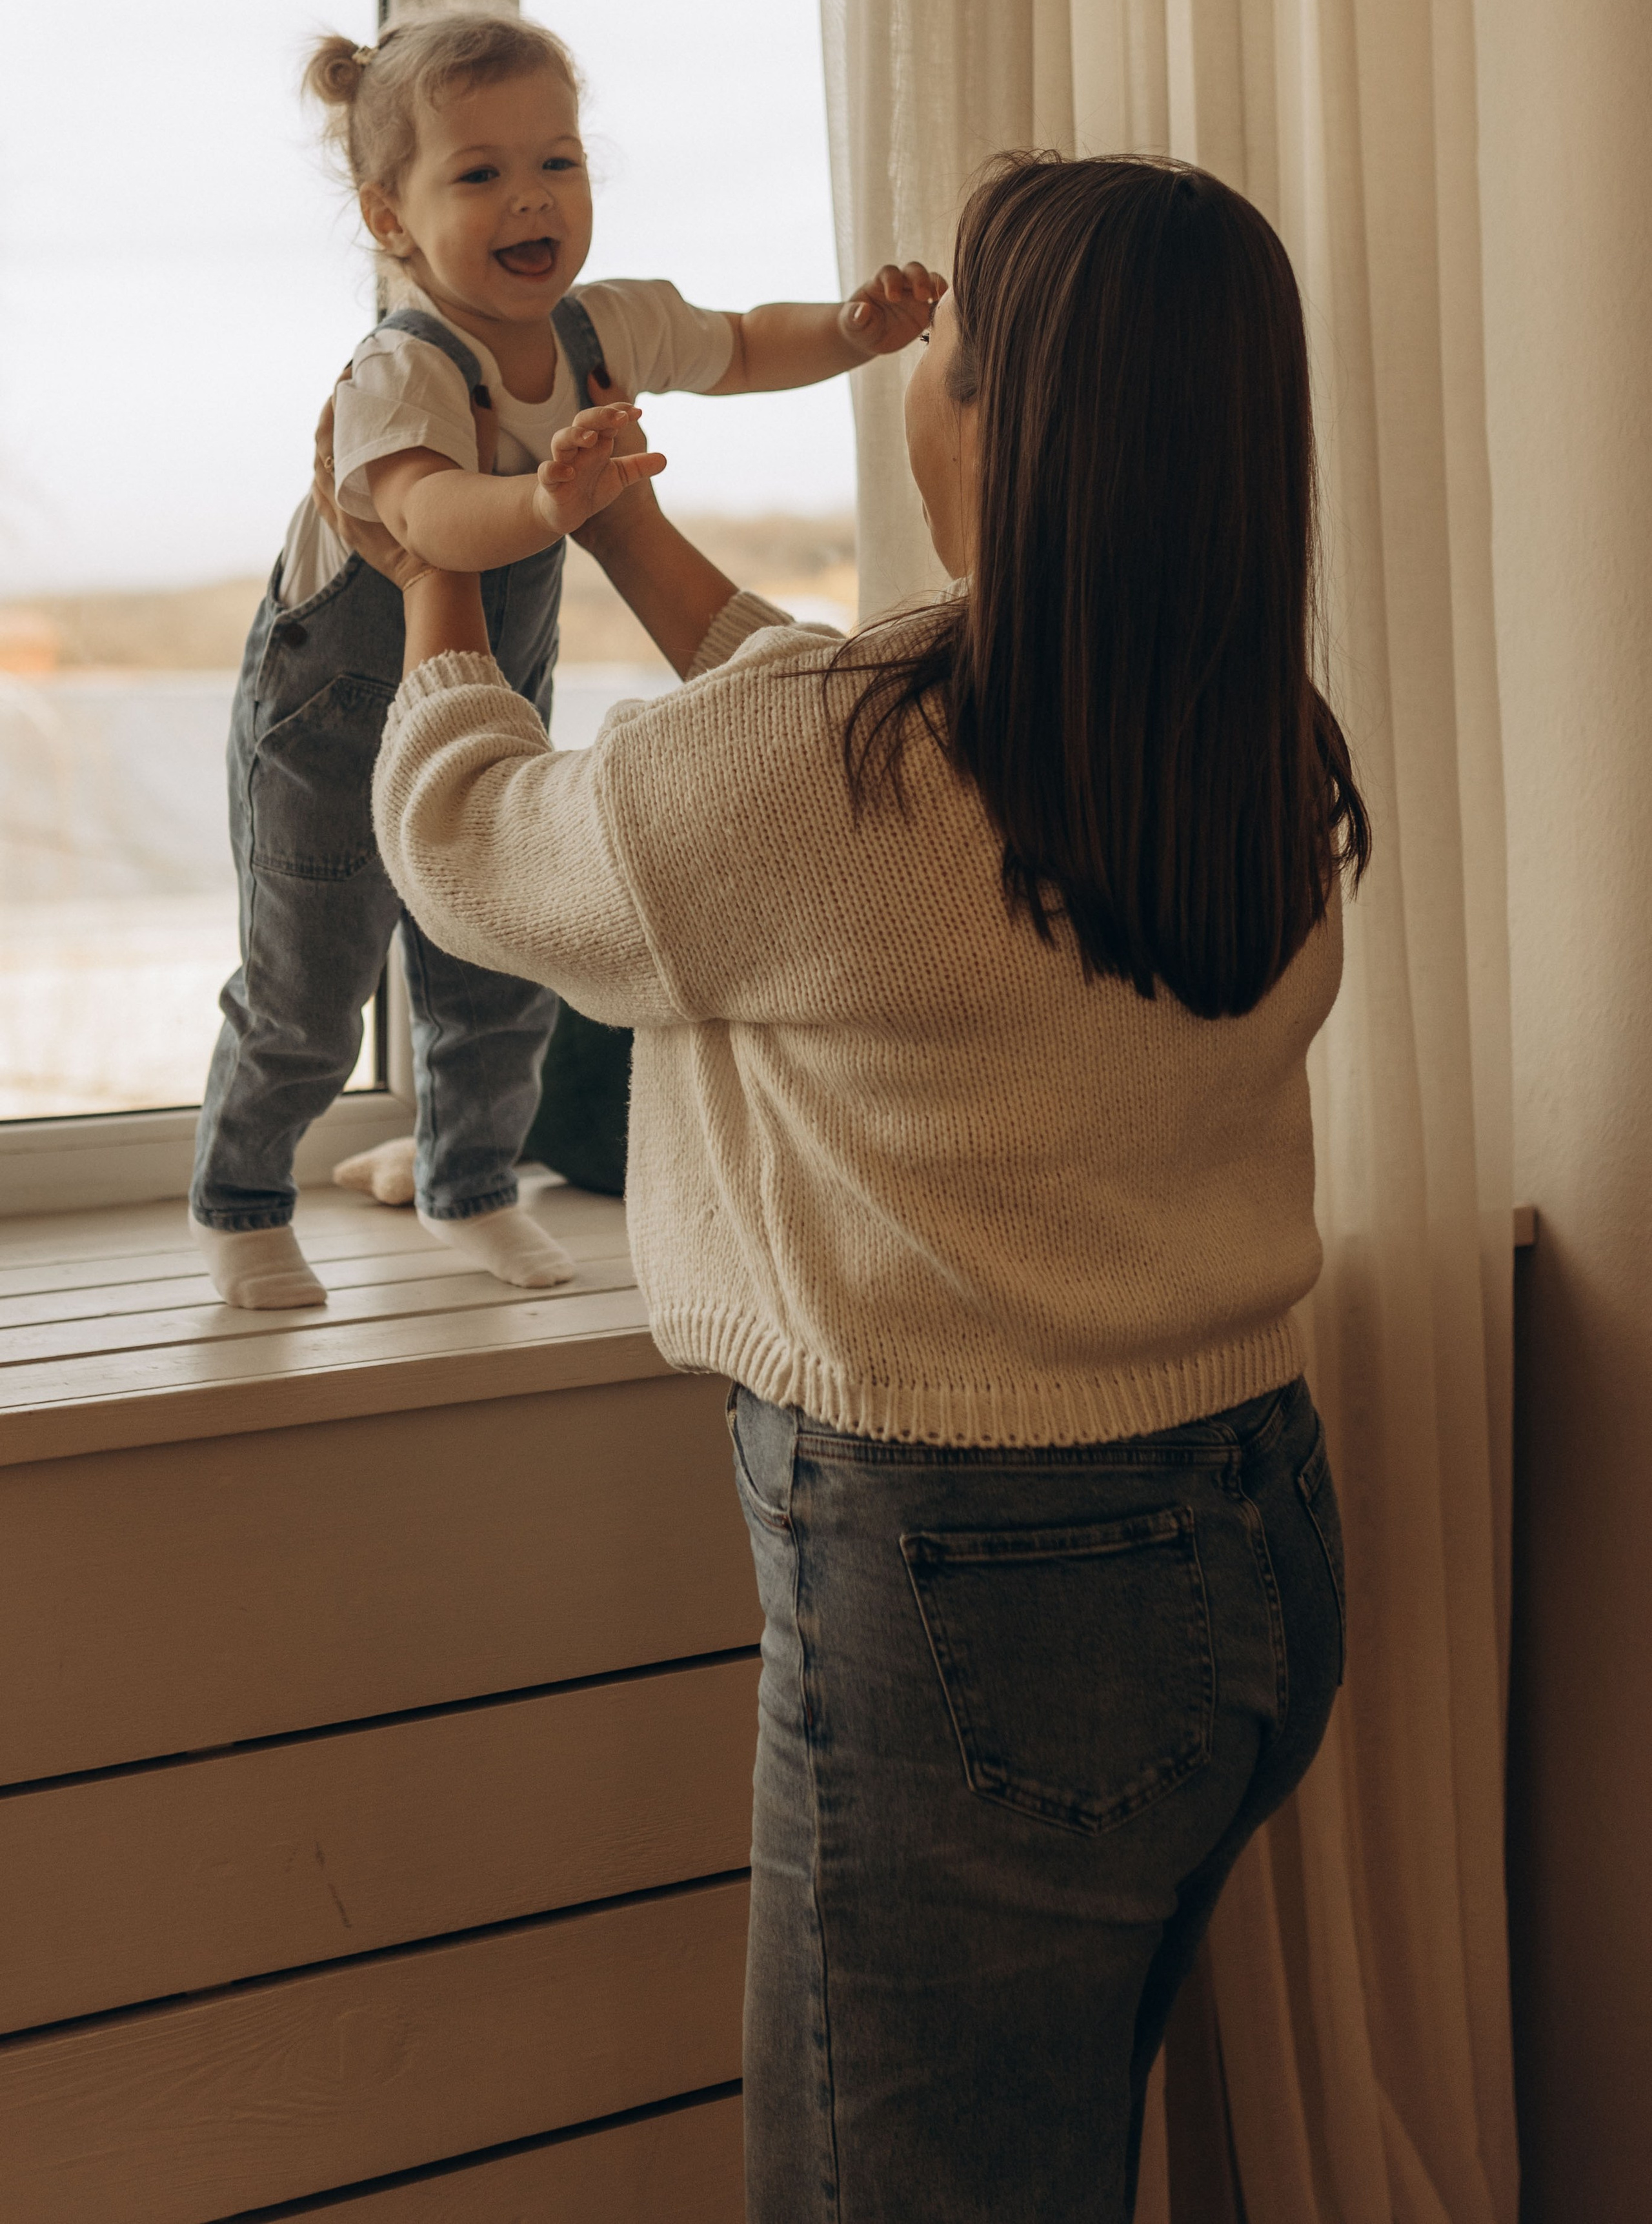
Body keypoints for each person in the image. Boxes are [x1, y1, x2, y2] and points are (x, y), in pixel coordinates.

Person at [354, 152, 1362, 2224]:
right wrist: (618, 520)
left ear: (1001, 421)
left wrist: (424, 554)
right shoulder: (1248, 736)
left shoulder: (847, 766)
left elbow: (468, 837)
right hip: (1253, 1543)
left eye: (953, 357)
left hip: (983, 1604)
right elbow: (830, 736)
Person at [190, 0, 938, 1309]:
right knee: (308, 989)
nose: (531, 198)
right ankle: (242, 1195)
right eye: (479, 174)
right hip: (329, 718)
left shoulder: (602, 329)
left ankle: (467, 1183)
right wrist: (544, 504)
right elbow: (423, 520)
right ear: (391, 220)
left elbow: (745, 340)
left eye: (558, 161)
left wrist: (852, 333)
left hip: (477, 699)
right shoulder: (401, 369)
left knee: (492, 959)